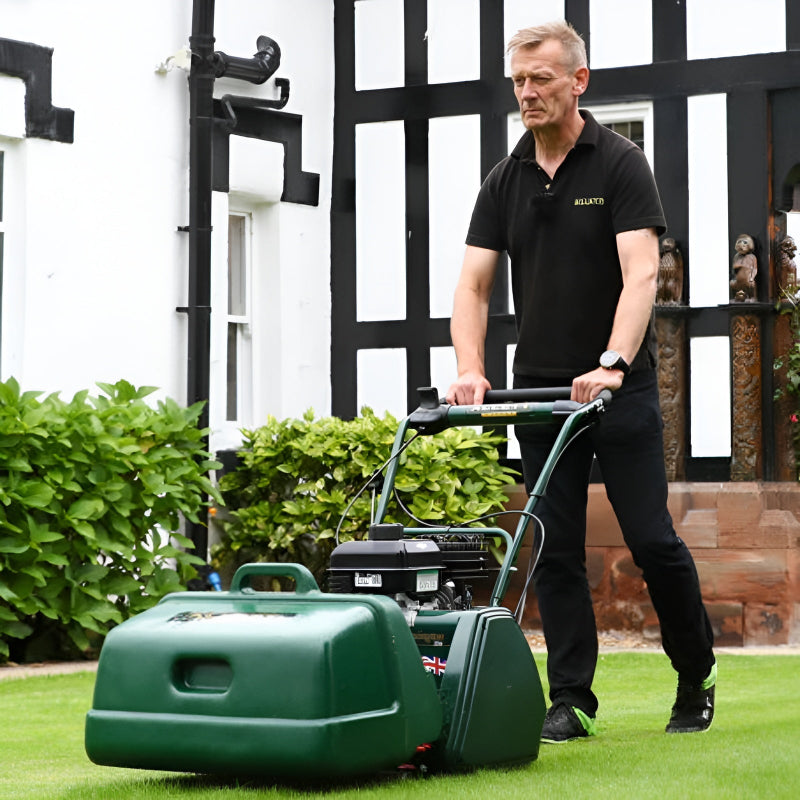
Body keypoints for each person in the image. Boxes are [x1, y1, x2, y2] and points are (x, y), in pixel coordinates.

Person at [445, 20, 716, 742]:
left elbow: (643, 273)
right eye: (518, 81)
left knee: (652, 539)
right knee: (553, 545)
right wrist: (470, 369)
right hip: (538, 391)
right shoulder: (505, 179)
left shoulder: (621, 164)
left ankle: (696, 675)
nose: (526, 93)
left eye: (540, 79)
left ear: (578, 82)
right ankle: (571, 699)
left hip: (617, 390)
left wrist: (613, 364)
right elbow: (472, 286)